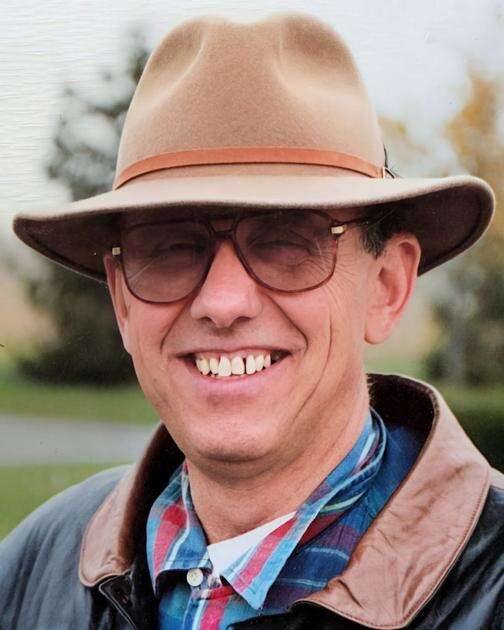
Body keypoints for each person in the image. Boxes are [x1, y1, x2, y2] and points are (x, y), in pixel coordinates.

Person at [1, 11, 503, 630]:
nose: (222, 302)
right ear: (122, 301)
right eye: (171, 246)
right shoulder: (31, 568)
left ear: (386, 287)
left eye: (288, 241)